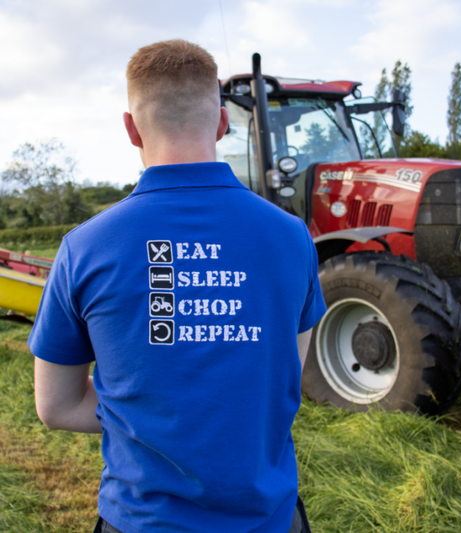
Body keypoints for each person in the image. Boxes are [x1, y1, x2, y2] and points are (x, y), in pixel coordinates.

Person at [29, 39, 326, 533]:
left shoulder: (85, 247)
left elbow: (56, 406)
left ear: (130, 129)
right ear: (223, 123)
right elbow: (280, 377)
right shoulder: (293, 237)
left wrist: (147, 408)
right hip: (268, 522)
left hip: (141, 522)